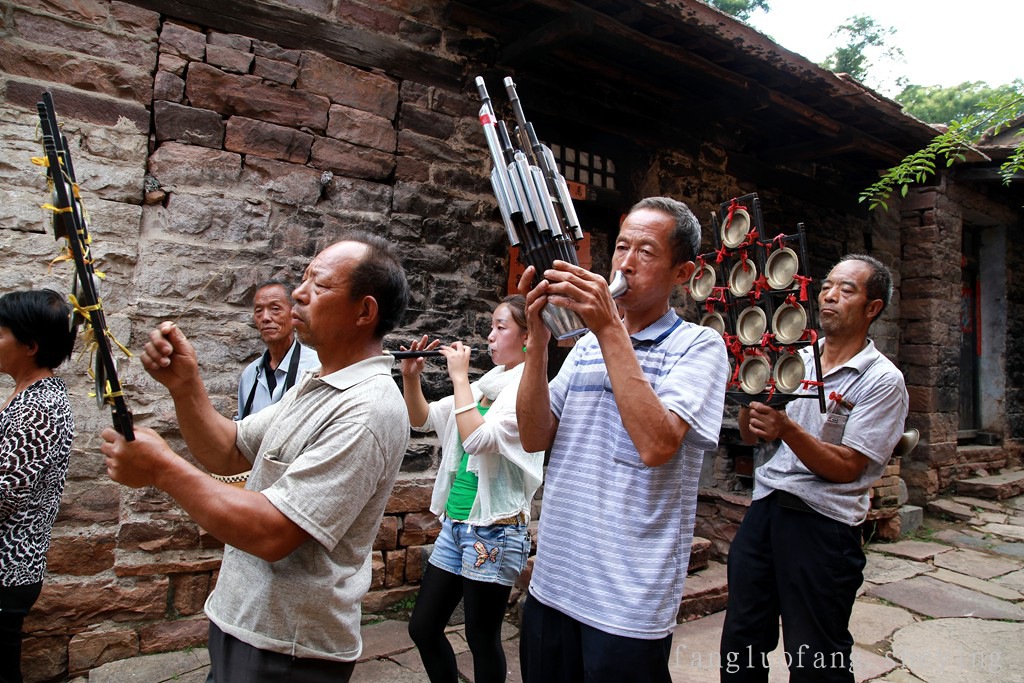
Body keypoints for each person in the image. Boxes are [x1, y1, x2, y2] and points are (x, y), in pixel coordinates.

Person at [100, 233, 411, 683]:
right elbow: (230, 450)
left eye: (319, 286)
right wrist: (186, 387)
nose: (299, 294)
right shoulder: (318, 383)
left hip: (288, 649)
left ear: (364, 311)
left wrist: (161, 468)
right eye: (303, 279)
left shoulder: (367, 410)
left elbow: (273, 532)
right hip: (243, 620)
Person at [515, 196, 730, 682]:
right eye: (622, 248)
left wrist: (609, 327)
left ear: (682, 273)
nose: (627, 263)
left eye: (647, 252)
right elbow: (533, 436)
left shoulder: (699, 347)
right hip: (554, 582)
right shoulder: (587, 346)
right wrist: (539, 341)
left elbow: (657, 445)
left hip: (627, 601)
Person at [719, 254, 909, 682]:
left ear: (872, 308)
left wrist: (786, 428)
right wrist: (754, 410)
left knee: (815, 654)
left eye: (847, 289)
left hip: (823, 523)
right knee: (742, 637)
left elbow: (847, 467)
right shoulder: (798, 360)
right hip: (766, 510)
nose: (830, 296)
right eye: (827, 286)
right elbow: (754, 439)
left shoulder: (880, 379)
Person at [403, 295, 543, 683]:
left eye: (501, 327)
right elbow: (423, 418)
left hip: (496, 529)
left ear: (529, 337)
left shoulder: (527, 390)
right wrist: (412, 376)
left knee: (480, 636)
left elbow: (476, 440)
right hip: (458, 522)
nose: (490, 336)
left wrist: (460, 377)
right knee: (424, 626)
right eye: (492, 327)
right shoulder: (487, 384)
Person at [0, 289, 76, 682]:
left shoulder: (40, 406)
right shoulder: (27, 395)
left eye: (0, 333)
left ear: (30, 345)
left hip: (8, 569)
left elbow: (5, 493)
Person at [236, 280, 320, 420]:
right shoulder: (250, 375)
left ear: (293, 313)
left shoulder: (316, 367)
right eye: (258, 311)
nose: (265, 318)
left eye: (275, 309)